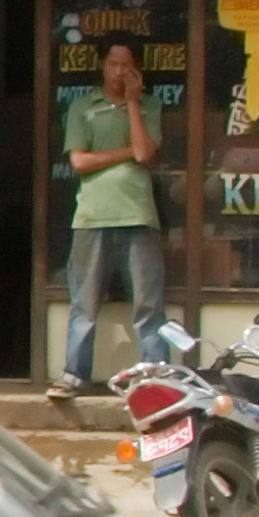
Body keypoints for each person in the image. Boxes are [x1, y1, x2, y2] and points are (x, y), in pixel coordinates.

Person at [57, 36, 165, 396]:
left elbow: (145, 153)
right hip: (92, 216)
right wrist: (125, 152)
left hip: (137, 215)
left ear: (137, 70)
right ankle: (74, 375)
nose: (119, 72)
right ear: (102, 66)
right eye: (113, 64)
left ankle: (156, 378)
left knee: (148, 305)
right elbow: (79, 161)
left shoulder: (149, 105)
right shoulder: (82, 107)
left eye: (126, 65)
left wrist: (132, 102)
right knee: (85, 304)